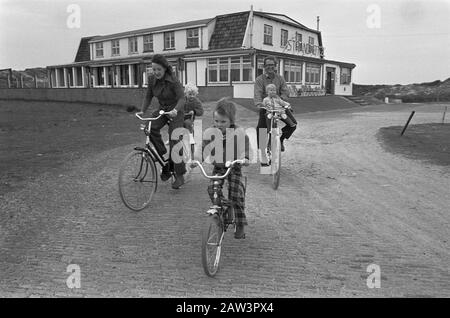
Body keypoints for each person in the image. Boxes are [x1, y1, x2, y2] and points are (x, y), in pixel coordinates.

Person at [202, 98, 250, 239]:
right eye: (216, 121)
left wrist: (245, 158)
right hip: (218, 167)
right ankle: (223, 208)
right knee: (212, 189)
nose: (219, 124)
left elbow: (245, 147)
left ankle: (240, 224)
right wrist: (197, 159)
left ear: (231, 121)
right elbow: (204, 147)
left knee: (236, 195)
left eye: (223, 122)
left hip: (234, 167)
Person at [138, 54, 186, 189]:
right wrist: (143, 110)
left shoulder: (174, 81)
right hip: (163, 110)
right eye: (154, 69)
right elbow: (148, 96)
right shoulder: (152, 80)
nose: (156, 72)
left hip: (176, 111)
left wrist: (176, 110)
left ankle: (180, 175)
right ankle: (165, 156)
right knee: (149, 127)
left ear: (165, 68)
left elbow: (182, 99)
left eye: (159, 69)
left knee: (175, 139)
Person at [254, 56, 297, 160]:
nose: (270, 67)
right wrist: (260, 104)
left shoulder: (280, 78)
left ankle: (281, 140)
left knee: (293, 124)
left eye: (272, 65)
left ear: (275, 66)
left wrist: (281, 100)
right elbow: (257, 94)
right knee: (261, 129)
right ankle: (262, 152)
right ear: (264, 67)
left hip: (279, 106)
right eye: (267, 65)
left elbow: (285, 91)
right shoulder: (260, 80)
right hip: (267, 107)